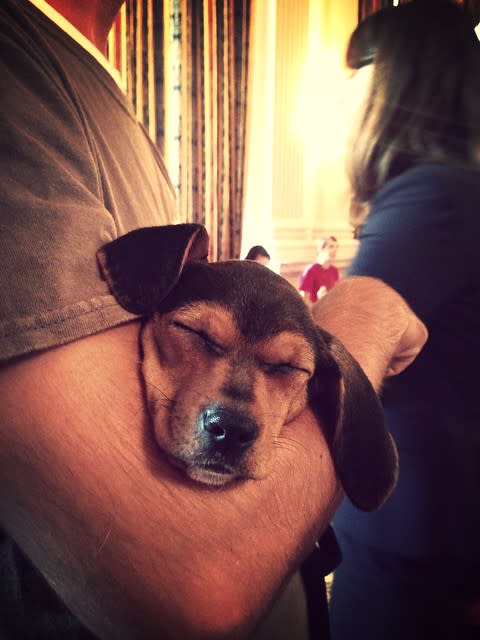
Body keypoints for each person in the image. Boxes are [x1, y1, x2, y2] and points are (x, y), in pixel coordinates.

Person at [0, 1, 427, 638]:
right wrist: (366, 308)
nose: (233, 412)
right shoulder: (19, 65)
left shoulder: (97, 84)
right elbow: (186, 598)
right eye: (198, 336)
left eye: (285, 367)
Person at [325, 2, 480, 639]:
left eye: (357, 74)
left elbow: (335, 349)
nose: (346, 103)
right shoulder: (457, 189)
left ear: (398, 79)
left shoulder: (432, 195)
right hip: (435, 517)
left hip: (409, 523)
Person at [299, 236, 339, 305]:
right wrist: (319, 302)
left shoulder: (334, 270)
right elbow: (304, 300)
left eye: (336, 247)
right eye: (331, 246)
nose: (335, 250)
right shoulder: (310, 271)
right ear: (321, 249)